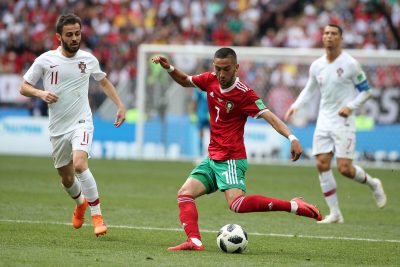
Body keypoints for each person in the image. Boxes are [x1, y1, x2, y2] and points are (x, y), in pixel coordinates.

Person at [152, 47, 322, 251]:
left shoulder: (244, 94)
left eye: (226, 69)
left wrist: (292, 138)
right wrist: (169, 67)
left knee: (237, 205)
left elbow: (271, 118)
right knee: (184, 194)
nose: (221, 74)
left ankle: (294, 206)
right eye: (217, 69)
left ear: (236, 68)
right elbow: (185, 80)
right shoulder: (210, 79)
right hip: (213, 157)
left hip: (231, 159)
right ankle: (194, 241)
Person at [20, 13, 126, 236]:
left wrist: (120, 105)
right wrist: (41, 93)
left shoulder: (88, 59)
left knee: (79, 164)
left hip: (82, 122)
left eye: (77, 33)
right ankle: (80, 204)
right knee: (66, 178)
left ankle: (97, 216)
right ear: (59, 37)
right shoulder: (45, 60)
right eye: (69, 35)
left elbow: (103, 81)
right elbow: (24, 86)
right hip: (58, 128)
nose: (75, 38)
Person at [284, 24, 387, 224]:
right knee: (321, 164)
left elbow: (366, 91)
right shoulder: (317, 65)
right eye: (326, 33)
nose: (329, 36)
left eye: (333, 34)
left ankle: (374, 183)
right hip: (324, 121)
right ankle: (335, 213)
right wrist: (295, 106)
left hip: (343, 122)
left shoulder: (350, 64)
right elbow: (309, 89)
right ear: (322, 38)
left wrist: (350, 106)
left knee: (344, 169)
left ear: (340, 38)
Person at [191, 88, 209, 157]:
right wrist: (193, 113)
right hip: (201, 114)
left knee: (213, 135)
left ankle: (211, 154)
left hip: (210, 114)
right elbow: (195, 102)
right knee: (201, 134)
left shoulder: (213, 86)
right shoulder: (198, 89)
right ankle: (200, 154)